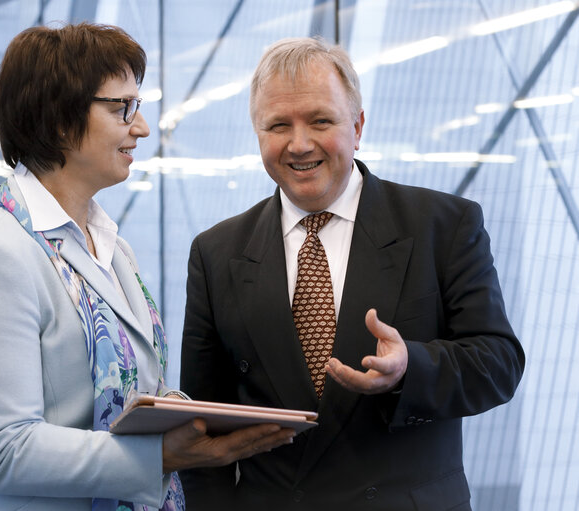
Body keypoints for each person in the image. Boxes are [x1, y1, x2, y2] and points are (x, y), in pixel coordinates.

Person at [0, 23, 294, 511]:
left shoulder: (111, 246)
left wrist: (189, 417)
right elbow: (2, 451)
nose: (140, 128)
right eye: (122, 108)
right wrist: (159, 455)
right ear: (59, 119)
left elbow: (136, 390)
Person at [179, 37, 526, 510]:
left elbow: (499, 363)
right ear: (257, 134)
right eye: (278, 125)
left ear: (358, 126)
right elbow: (204, 428)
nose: (300, 145)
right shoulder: (216, 253)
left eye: (321, 121)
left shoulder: (442, 225)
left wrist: (411, 369)